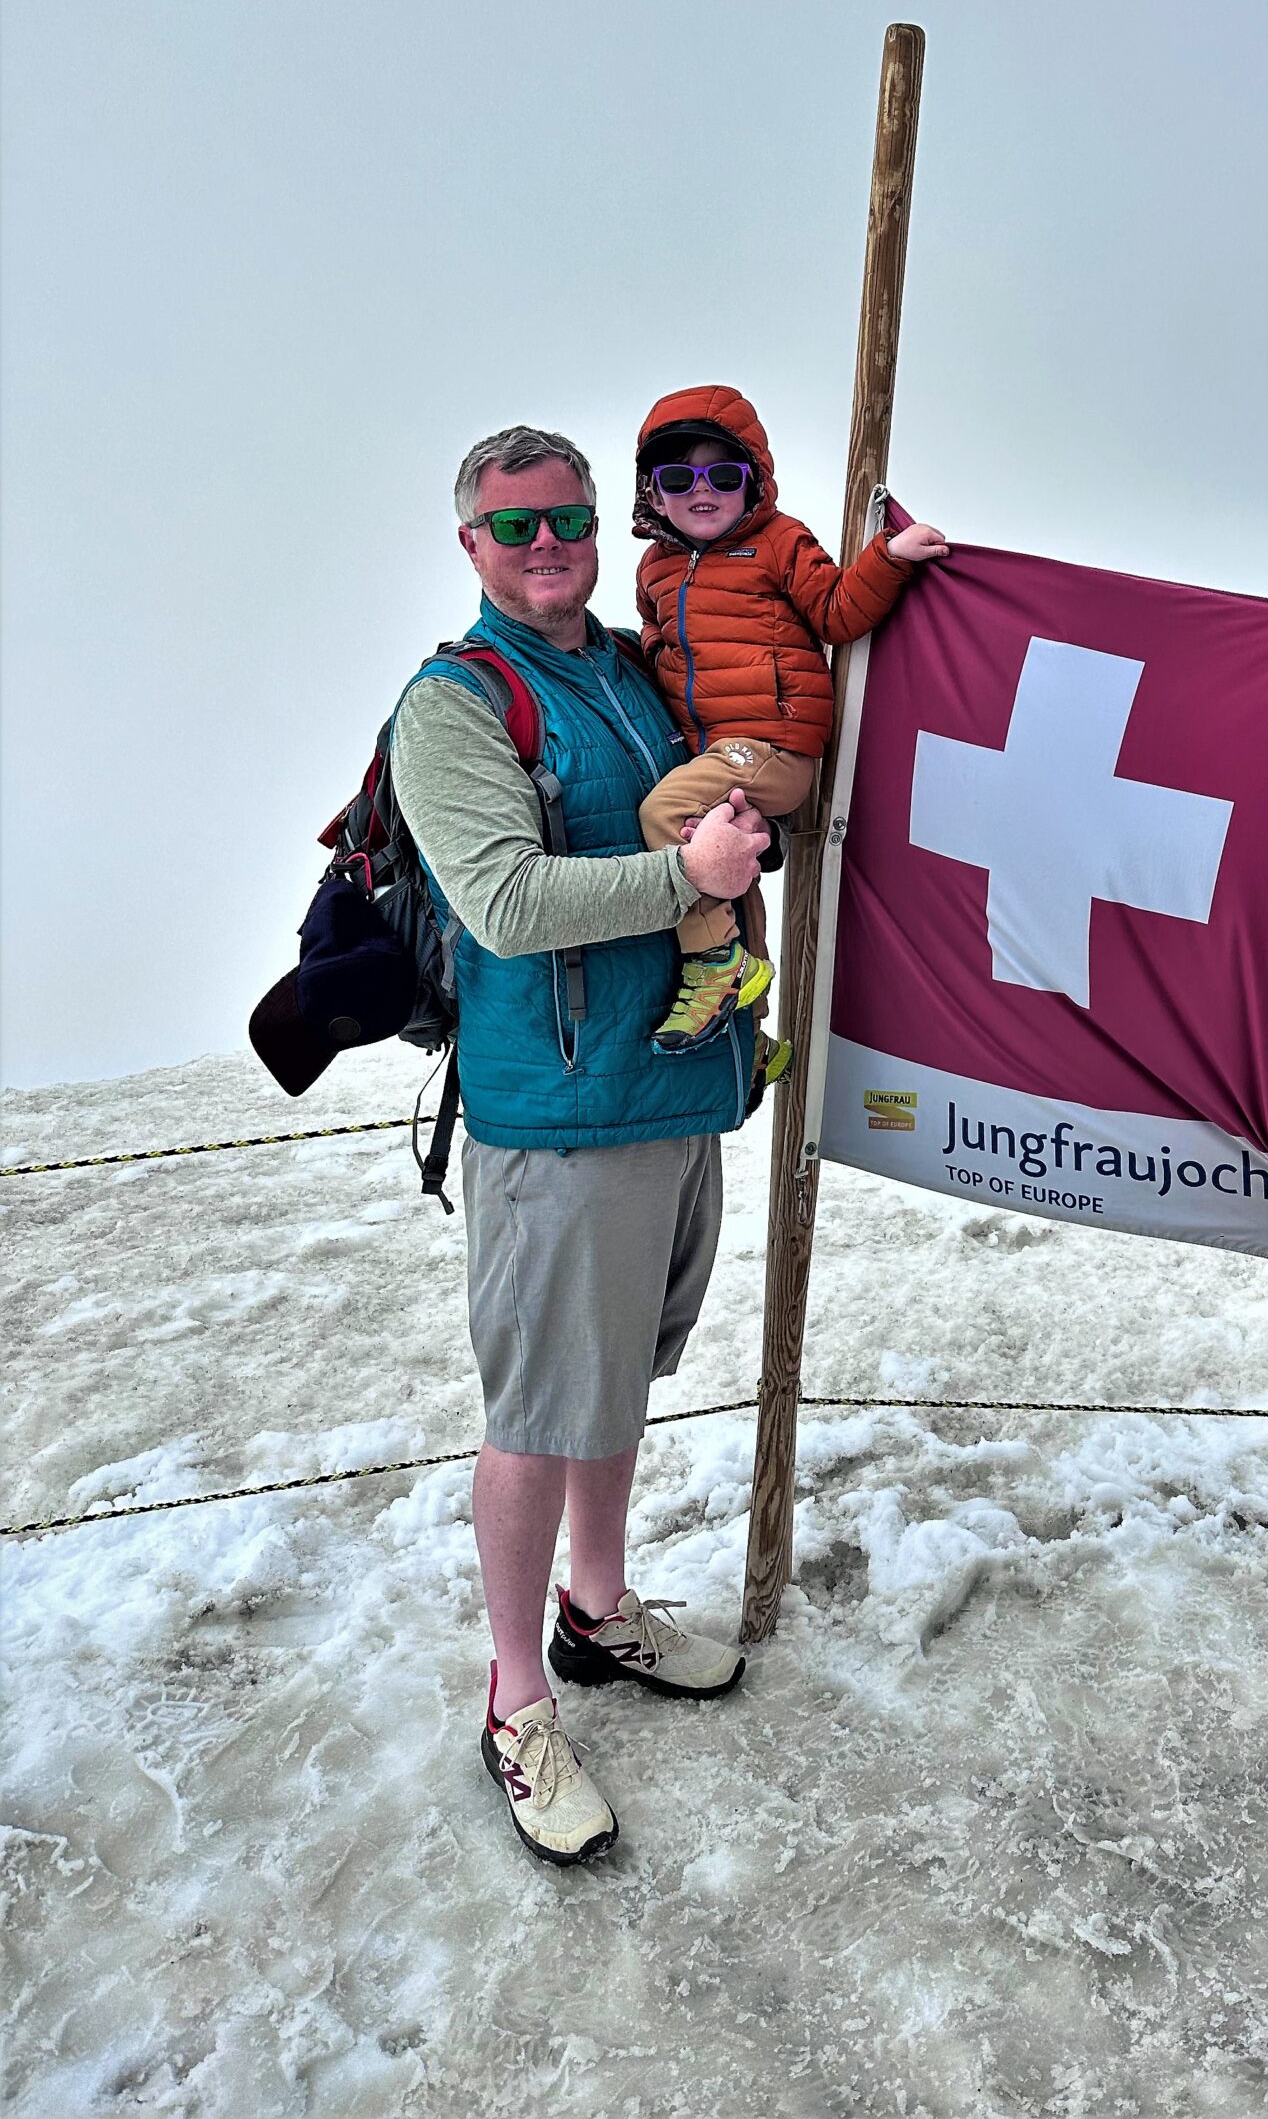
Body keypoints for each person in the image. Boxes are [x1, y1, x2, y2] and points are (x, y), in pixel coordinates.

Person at [388, 423, 773, 1868]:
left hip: (677, 1089)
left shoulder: (626, 666)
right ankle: (517, 1697)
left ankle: (596, 1608)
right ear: (472, 545)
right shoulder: (455, 703)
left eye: (569, 517)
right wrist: (691, 872)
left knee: (617, 1376)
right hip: (556, 1116)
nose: (547, 544)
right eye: (516, 526)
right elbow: (500, 900)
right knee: (540, 1407)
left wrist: (738, 841)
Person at [630, 384, 948, 1049]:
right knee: (719, 861)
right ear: (653, 494)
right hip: (711, 753)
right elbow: (658, 641)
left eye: (722, 473)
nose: (702, 490)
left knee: (662, 817)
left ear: (753, 482)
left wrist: (886, 560)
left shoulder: (777, 542)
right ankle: (751, 1035)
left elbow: (836, 612)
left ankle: (715, 962)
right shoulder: (656, 568)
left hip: (773, 745)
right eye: (678, 477)